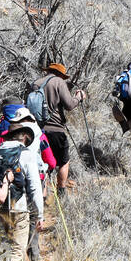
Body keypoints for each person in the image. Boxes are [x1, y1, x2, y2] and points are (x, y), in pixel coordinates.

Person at [0, 109, 45, 261]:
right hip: (19, 208)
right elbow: (35, 187)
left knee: (3, 249)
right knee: (17, 251)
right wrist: (40, 214)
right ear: (25, 137)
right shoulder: (26, 154)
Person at [29, 62, 86, 193]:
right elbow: (70, 105)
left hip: (38, 130)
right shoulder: (59, 82)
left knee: (43, 163)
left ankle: (42, 196)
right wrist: (79, 97)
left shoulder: (36, 83)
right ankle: (61, 190)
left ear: (48, 70)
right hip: (56, 129)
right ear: (60, 74)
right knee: (63, 161)